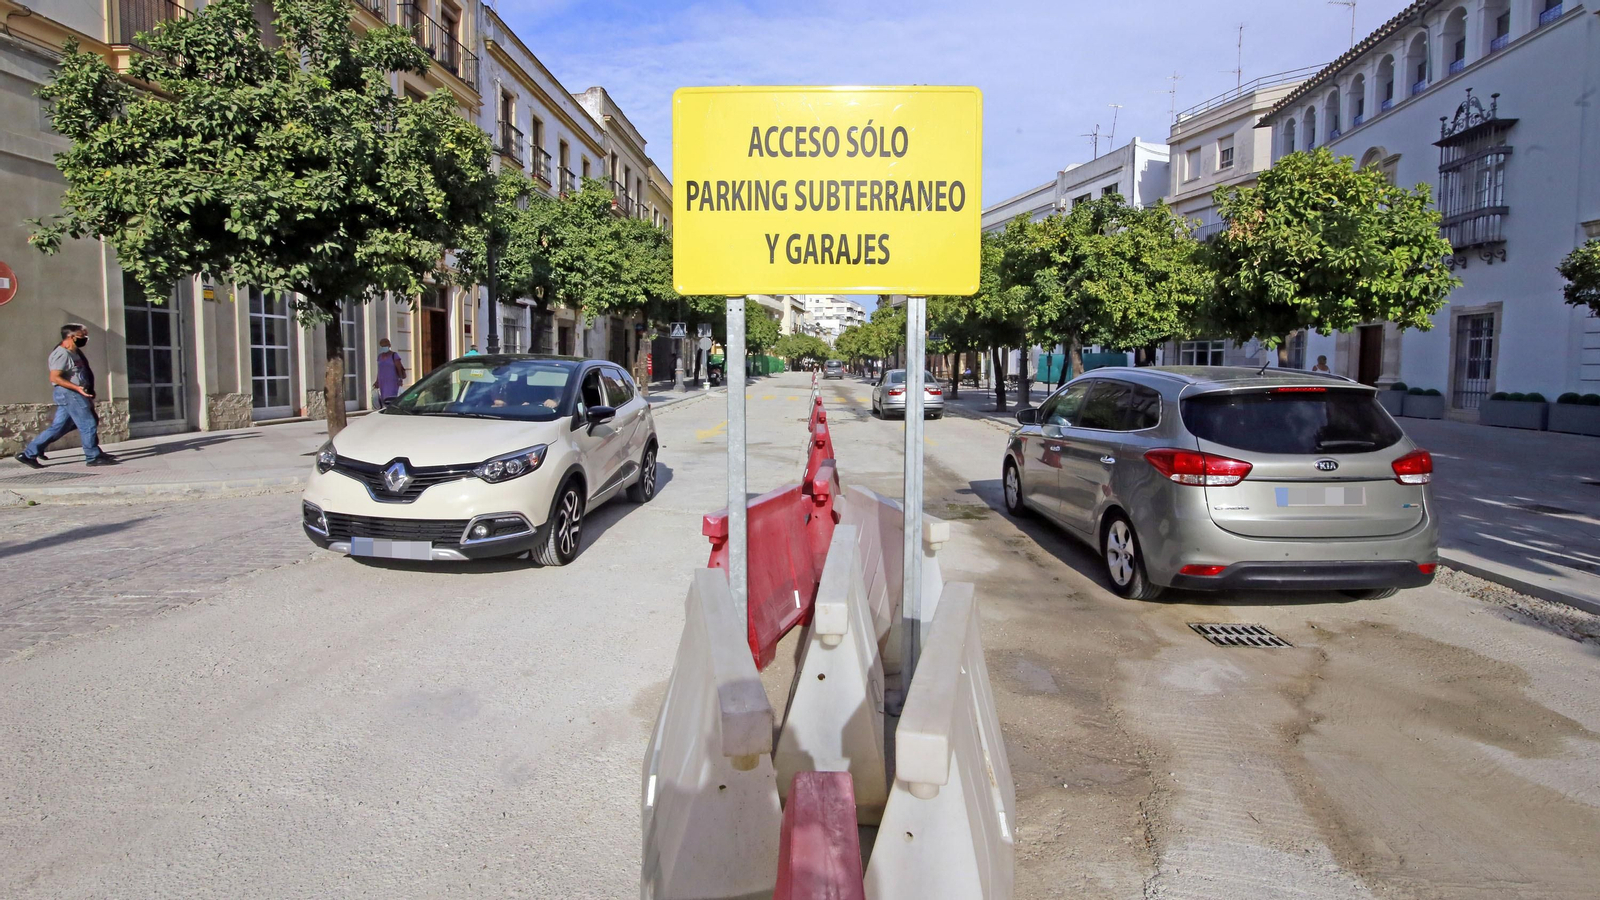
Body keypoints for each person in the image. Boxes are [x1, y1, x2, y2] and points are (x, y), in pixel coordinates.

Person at [14, 324, 117, 468]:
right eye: (82, 336)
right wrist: (77, 388)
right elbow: (55, 378)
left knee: (60, 427)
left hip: (76, 393)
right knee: (88, 423)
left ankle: (28, 454)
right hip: (70, 394)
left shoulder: (75, 352)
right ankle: (93, 457)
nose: (85, 339)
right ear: (71, 337)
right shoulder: (61, 354)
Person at [373, 338, 406, 406]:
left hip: (392, 381)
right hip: (382, 381)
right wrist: (377, 381)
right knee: (383, 398)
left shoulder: (394, 355)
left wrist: (400, 379)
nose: (384, 347)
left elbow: (399, 368)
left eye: (385, 345)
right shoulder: (380, 357)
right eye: (382, 346)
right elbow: (379, 369)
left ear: (389, 346)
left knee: (391, 398)